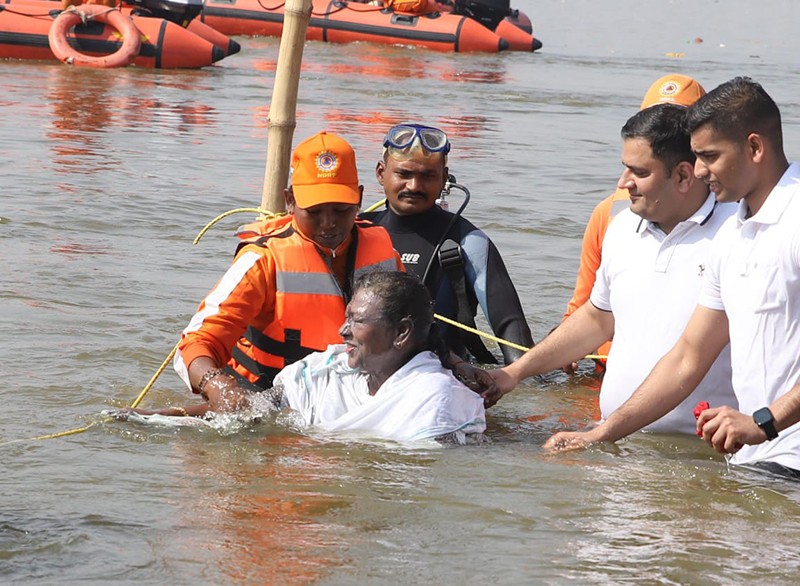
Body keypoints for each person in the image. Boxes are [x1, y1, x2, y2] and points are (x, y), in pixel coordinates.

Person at [544, 77, 800, 478]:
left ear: (754, 147)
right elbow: (687, 358)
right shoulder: (732, 234)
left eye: (710, 156)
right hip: (752, 461)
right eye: (696, 157)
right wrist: (602, 433)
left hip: (786, 456)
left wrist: (764, 421)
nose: (699, 171)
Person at [487, 102, 738, 434]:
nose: (624, 182)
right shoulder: (622, 228)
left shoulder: (737, 234)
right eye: (625, 168)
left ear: (682, 175)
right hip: (612, 442)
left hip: (700, 452)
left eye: (640, 172)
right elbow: (597, 319)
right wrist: (513, 374)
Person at [173, 131, 404, 414]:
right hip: (267, 400)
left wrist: (455, 364)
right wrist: (216, 385)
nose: (328, 223)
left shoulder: (383, 250)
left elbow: (413, 329)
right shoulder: (261, 260)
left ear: (359, 198)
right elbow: (196, 344)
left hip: (352, 397)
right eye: (315, 211)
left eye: (341, 210)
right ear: (290, 200)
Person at [117, 272, 487, 443]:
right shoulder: (327, 372)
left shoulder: (435, 401)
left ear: (402, 332)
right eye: (345, 318)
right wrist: (157, 419)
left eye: (356, 322)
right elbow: (253, 410)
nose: (342, 332)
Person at [562, 74, 707, 374]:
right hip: (604, 374)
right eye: (657, 120)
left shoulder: (735, 221)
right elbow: (583, 307)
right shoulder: (612, 216)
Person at [360, 122, 534, 366]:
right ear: (380, 173)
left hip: (441, 375)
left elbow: (512, 333)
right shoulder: (356, 232)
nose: (414, 186)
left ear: (444, 178)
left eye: (427, 176)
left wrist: (521, 378)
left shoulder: (468, 243)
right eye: (404, 174)